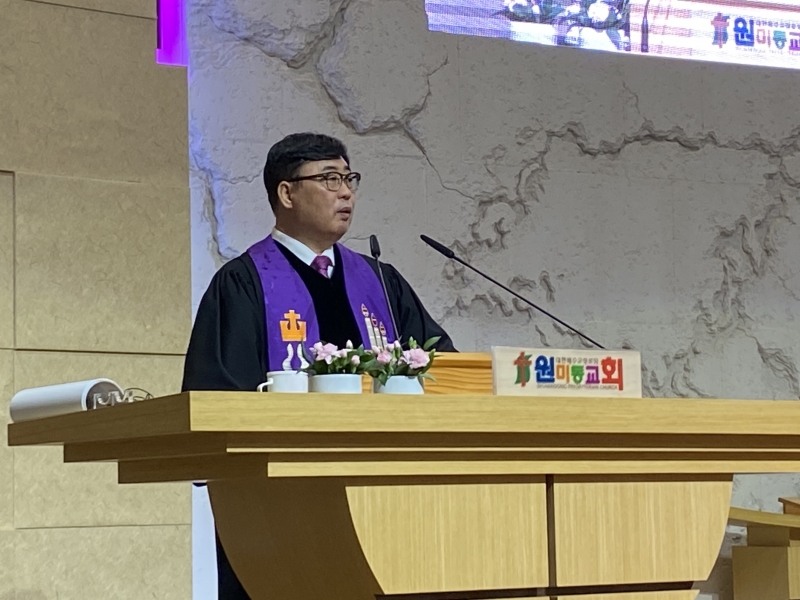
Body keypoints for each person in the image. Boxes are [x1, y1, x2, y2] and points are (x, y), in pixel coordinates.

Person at [181, 132, 456, 599]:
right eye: (329, 179)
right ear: (286, 193)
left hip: (386, 502)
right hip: (279, 514)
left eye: (349, 179)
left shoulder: (381, 281)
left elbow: (442, 366)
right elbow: (217, 400)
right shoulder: (244, 284)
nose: (345, 192)